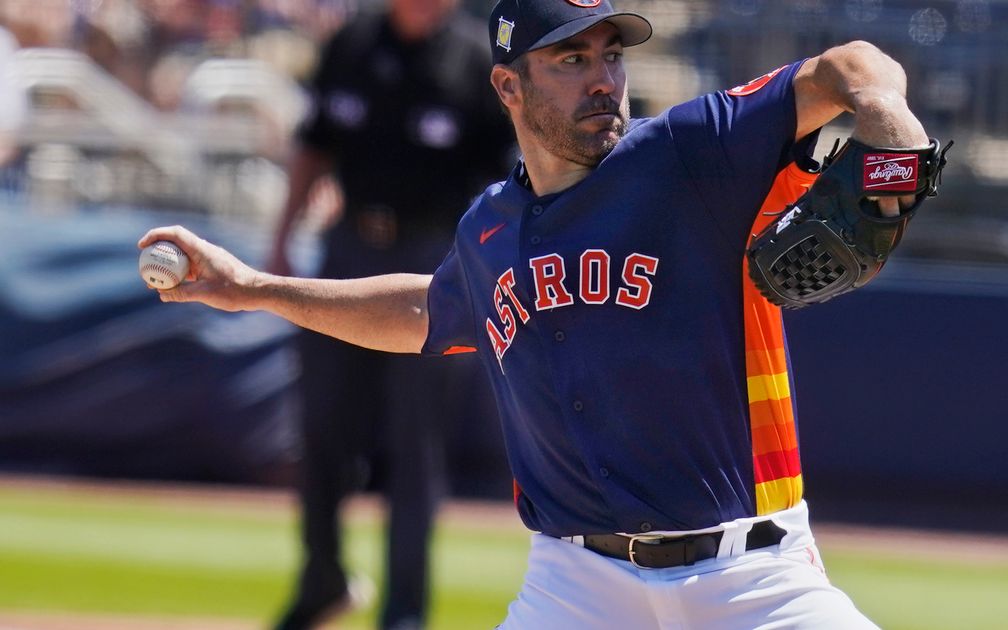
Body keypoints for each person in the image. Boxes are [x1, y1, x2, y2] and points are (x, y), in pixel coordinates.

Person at [140, 0, 933, 627]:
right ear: (508, 85)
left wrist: (886, 114)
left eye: (612, 54)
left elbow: (849, 65)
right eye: (571, 57)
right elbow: (426, 309)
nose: (602, 77)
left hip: (750, 580)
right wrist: (252, 287)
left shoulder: (689, 152)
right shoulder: (488, 227)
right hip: (577, 586)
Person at [265, 1, 513, 629]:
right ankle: (322, 578)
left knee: (414, 446)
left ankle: (403, 614)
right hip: (346, 247)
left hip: (434, 264)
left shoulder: (473, 59)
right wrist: (281, 236)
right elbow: (315, 144)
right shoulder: (353, 41)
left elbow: (504, 179)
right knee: (320, 428)